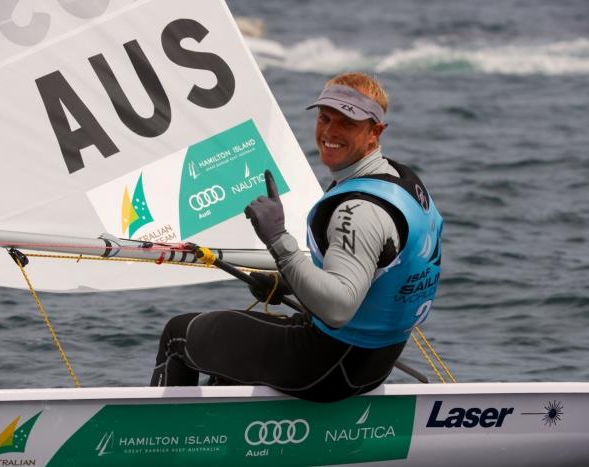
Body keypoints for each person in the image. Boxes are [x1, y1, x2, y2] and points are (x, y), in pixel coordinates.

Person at [150, 72, 443, 402]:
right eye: (324, 118)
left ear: (375, 132)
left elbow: (337, 308)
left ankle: (150, 445)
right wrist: (287, 282)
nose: (330, 132)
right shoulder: (402, 184)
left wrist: (278, 240)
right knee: (232, 354)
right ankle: (219, 440)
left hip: (323, 368)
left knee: (178, 335)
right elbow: (375, 271)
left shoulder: (357, 211)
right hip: (372, 364)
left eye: (347, 123)